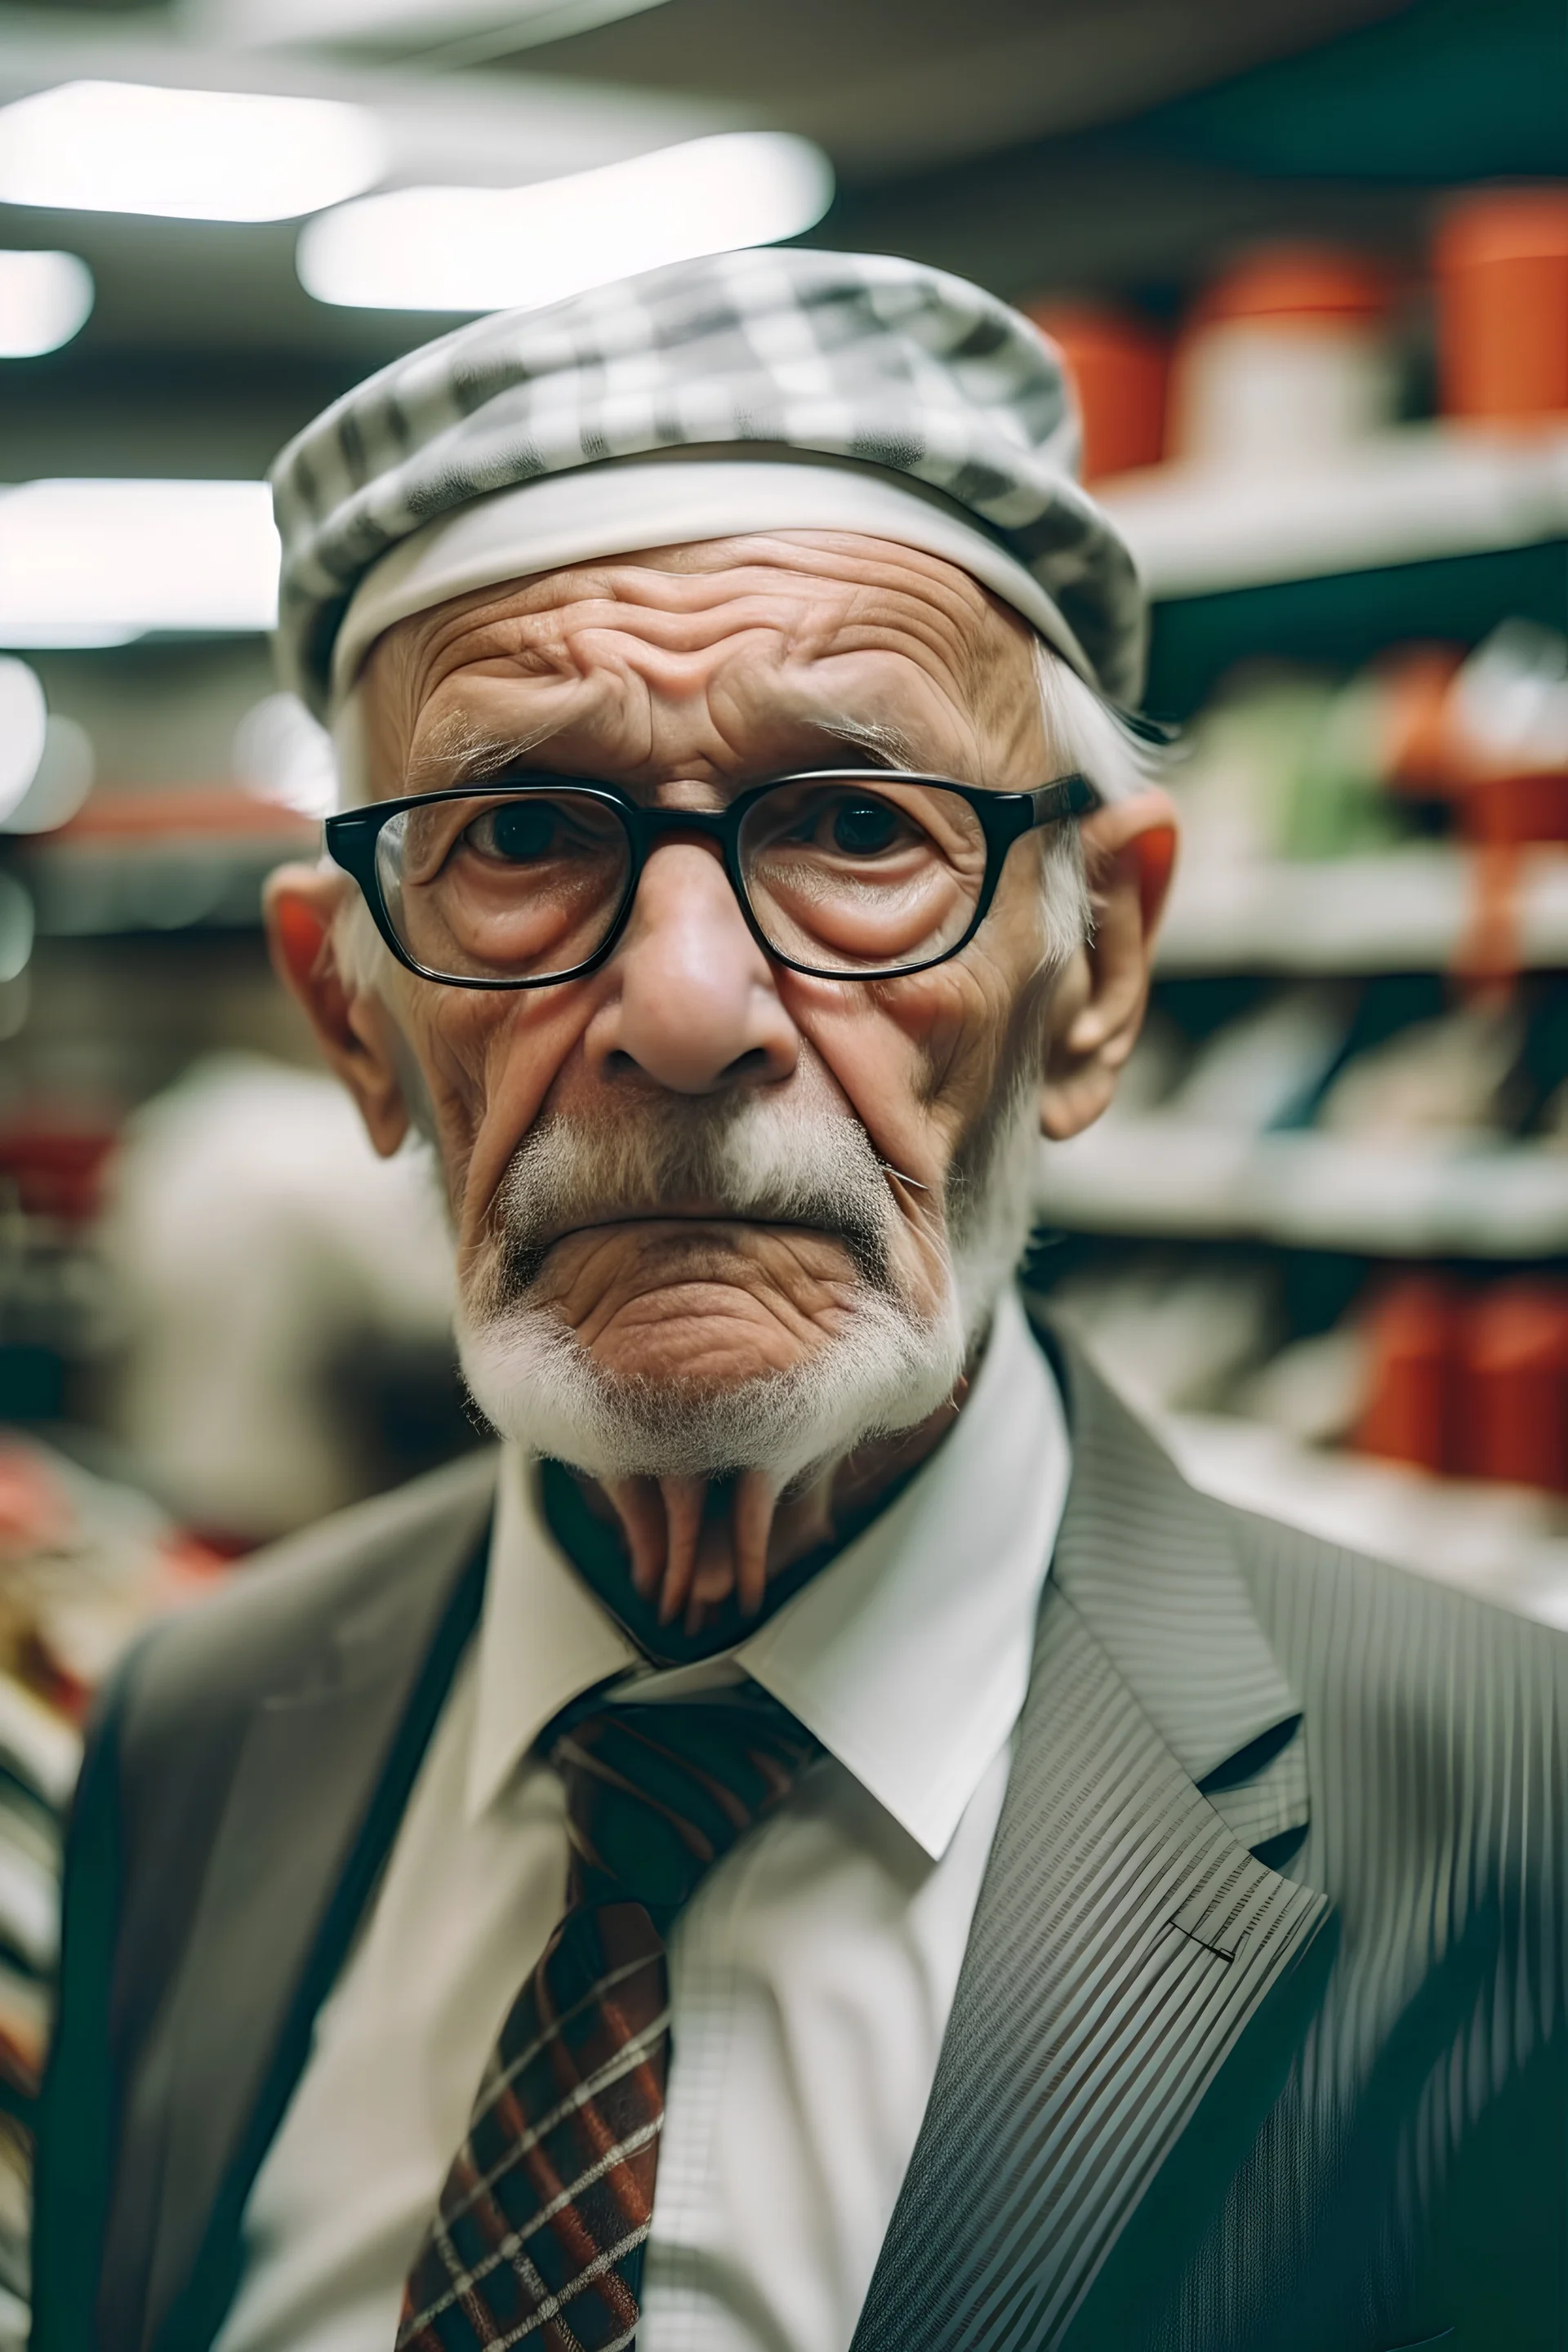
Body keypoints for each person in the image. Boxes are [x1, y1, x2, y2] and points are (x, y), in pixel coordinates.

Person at [33, 249, 1567, 2352]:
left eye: (855, 824)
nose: (683, 1008)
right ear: (356, 1018)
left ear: (1097, 969)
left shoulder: (1515, 1833)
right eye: (520, 832)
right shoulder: (203, 1728)